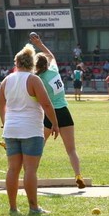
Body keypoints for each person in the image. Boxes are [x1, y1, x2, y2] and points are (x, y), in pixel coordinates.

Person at [0, 44, 60, 215]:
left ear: (17, 63)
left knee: (13, 169)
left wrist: (6, 123)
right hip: (31, 129)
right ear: (32, 63)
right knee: (30, 169)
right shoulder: (33, 80)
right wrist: (55, 123)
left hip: (11, 129)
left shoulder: (6, 80)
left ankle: (13, 207)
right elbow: (46, 104)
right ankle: (33, 207)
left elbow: (1, 106)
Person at [31, 33, 86, 189]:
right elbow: (51, 56)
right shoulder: (54, 70)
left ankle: (31, 175)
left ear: (36, 66)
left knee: (38, 148)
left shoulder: (38, 80)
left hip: (50, 114)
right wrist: (40, 44)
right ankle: (78, 175)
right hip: (64, 111)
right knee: (71, 149)